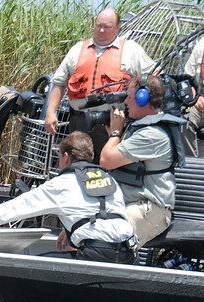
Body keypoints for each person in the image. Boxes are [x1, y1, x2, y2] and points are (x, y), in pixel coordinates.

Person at [0, 131, 135, 263]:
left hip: (96, 254)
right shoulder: (108, 179)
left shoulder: (62, 183)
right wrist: (72, 227)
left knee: (31, 267)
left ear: (65, 157)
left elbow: (20, 205)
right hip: (127, 253)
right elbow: (103, 213)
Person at [44, 7, 155, 150]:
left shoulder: (131, 50)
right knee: (77, 163)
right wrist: (50, 113)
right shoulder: (77, 49)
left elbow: (154, 78)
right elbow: (59, 83)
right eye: (99, 26)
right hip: (79, 121)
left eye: (107, 27)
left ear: (117, 27)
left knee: (108, 167)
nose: (101, 30)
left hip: (112, 121)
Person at [99, 75, 184, 247]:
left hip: (149, 209)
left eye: (129, 97)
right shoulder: (141, 127)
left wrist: (115, 133)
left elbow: (106, 160)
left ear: (142, 98)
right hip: (128, 203)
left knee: (105, 243)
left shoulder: (152, 135)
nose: (126, 102)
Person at [183, 35, 204, 156]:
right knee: (183, 119)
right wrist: (195, 97)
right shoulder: (201, 44)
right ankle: (190, 164)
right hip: (200, 104)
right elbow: (188, 77)